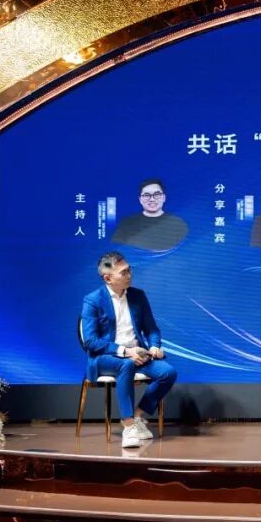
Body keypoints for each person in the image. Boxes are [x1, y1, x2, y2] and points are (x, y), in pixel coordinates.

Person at [80, 251, 177, 448]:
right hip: (105, 357)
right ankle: (128, 425)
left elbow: (151, 329)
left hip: (138, 354)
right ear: (108, 278)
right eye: (123, 272)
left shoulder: (138, 296)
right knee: (127, 365)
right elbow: (90, 341)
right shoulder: (93, 300)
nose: (129, 275)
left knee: (168, 372)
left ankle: (138, 416)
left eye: (129, 270)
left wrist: (154, 346)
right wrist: (125, 351)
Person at [111, 178, 189, 251]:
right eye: (146, 195)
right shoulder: (127, 223)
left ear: (164, 198)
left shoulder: (178, 223)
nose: (152, 199)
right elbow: (117, 249)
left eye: (157, 194)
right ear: (140, 199)